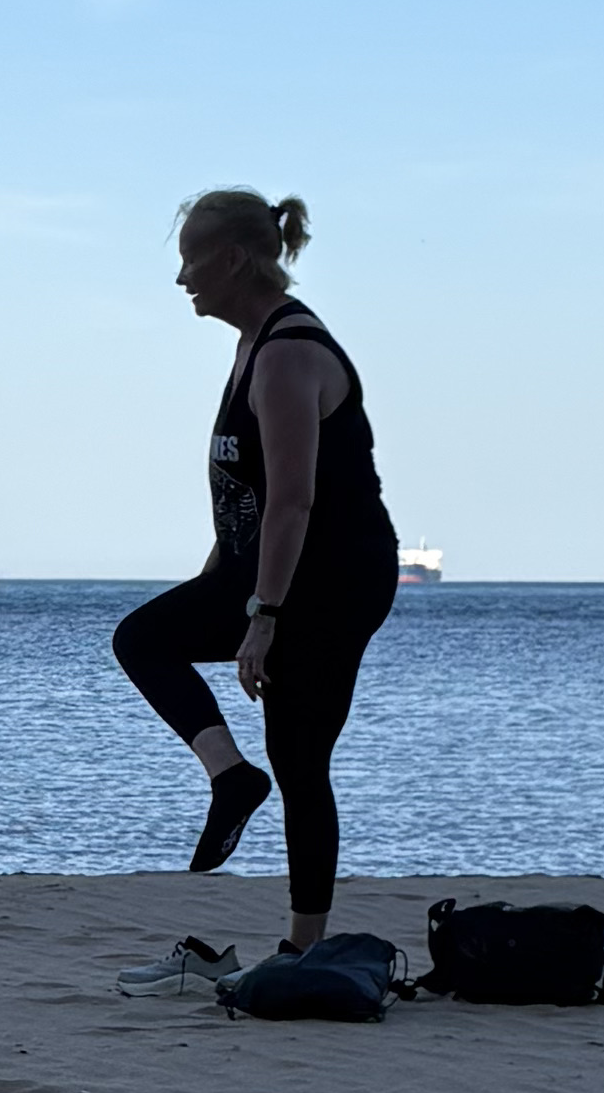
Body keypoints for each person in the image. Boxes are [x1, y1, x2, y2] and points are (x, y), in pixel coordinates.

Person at [110, 188, 399, 949]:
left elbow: (295, 500)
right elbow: (246, 491)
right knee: (143, 638)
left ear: (233, 259)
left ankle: (303, 948)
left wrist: (261, 617)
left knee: (299, 757)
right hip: (273, 566)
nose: (182, 279)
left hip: (331, 579)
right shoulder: (251, 345)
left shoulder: (288, 353)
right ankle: (231, 778)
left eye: (190, 260)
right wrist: (220, 577)